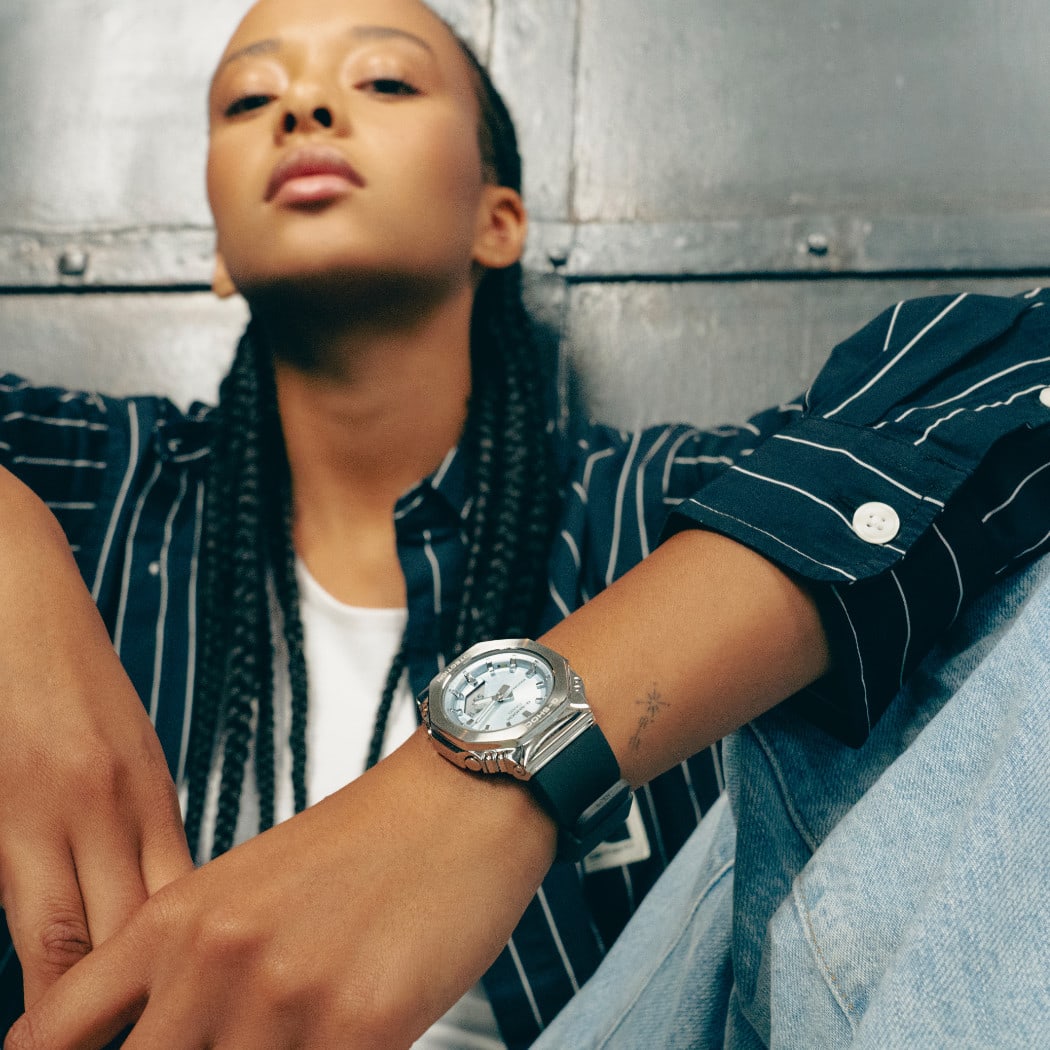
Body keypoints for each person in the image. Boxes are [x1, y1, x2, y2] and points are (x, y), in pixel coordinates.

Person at [0, 0, 1047, 1046]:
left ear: (497, 222)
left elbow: (1016, 378)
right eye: (250, 99)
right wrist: (13, 553)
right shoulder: (100, 489)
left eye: (384, 83)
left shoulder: (652, 511)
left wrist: (482, 785)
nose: (305, 107)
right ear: (219, 247)